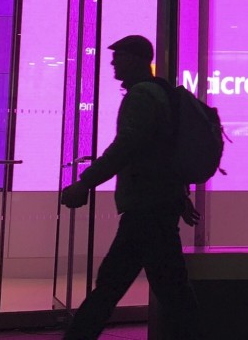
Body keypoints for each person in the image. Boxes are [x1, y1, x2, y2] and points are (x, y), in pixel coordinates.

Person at [60, 35, 202, 340]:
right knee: (171, 289)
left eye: (119, 56)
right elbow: (163, 154)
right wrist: (179, 196)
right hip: (158, 206)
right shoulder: (162, 93)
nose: (112, 62)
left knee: (112, 285)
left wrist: (85, 182)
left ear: (137, 60)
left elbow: (126, 147)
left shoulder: (141, 97)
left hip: (145, 209)